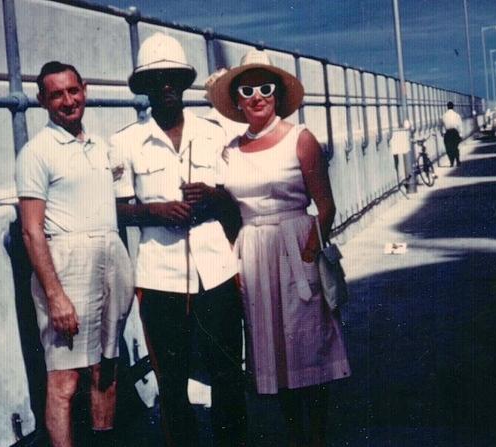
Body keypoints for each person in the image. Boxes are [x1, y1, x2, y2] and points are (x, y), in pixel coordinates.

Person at [107, 33, 247, 446]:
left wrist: (213, 195)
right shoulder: (125, 142)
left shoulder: (214, 133)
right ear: (145, 89)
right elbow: (116, 209)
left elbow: (236, 203)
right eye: (156, 80)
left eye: (172, 77)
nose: (166, 86)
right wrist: (154, 210)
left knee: (227, 373)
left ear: (184, 83)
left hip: (217, 272)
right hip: (160, 278)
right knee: (172, 382)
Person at [209, 49, 351, 447]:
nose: (257, 96)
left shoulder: (300, 139)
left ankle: (317, 437)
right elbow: (227, 209)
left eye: (265, 88)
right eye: (247, 89)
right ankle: (293, 436)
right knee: (271, 349)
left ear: (278, 95)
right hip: (253, 252)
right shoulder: (230, 149)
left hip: (295, 244)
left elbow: (326, 207)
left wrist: (307, 255)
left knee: (308, 343)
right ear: (237, 100)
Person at [16, 61, 133, 447]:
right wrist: (55, 295)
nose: (68, 101)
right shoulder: (36, 152)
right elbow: (32, 231)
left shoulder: (102, 146)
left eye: (73, 91)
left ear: (84, 89)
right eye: (56, 95)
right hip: (67, 267)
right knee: (65, 379)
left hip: (110, 259)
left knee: (106, 368)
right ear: (42, 101)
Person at [441, 101, 463, 167]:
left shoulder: (443, 116)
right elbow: (460, 125)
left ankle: (451, 162)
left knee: (449, 148)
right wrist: (461, 134)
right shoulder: (457, 115)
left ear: (447, 107)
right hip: (455, 132)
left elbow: (441, 126)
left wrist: (442, 133)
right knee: (455, 147)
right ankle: (458, 161)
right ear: (453, 107)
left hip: (448, 133)